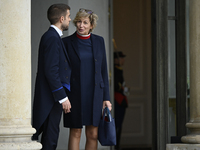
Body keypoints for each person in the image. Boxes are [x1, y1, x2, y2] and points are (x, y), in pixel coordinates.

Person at [62, 8, 112, 150]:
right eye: (78, 21)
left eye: (85, 22)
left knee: (93, 134)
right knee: (76, 132)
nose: (81, 25)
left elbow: (103, 71)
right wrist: (63, 96)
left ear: (91, 25)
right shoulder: (66, 42)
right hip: (74, 95)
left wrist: (106, 98)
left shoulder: (99, 41)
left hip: (95, 94)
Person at [32, 4, 71, 150]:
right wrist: (62, 97)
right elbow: (51, 70)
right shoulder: (52, 38)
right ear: (62, 19)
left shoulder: (52, 37)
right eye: (68, 17)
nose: (69, 19)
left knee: (50, 137)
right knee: (50, 138)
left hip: (52, 97)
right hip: (50, 98)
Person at [114, 51, 128, 150]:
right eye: (121, 58)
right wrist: (122, 88)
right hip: (117, 101)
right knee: (116, 126)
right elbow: (115, 85)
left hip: (121, 100)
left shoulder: (119, 70)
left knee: (119, 126)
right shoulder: (115, 70)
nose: (123, 60)